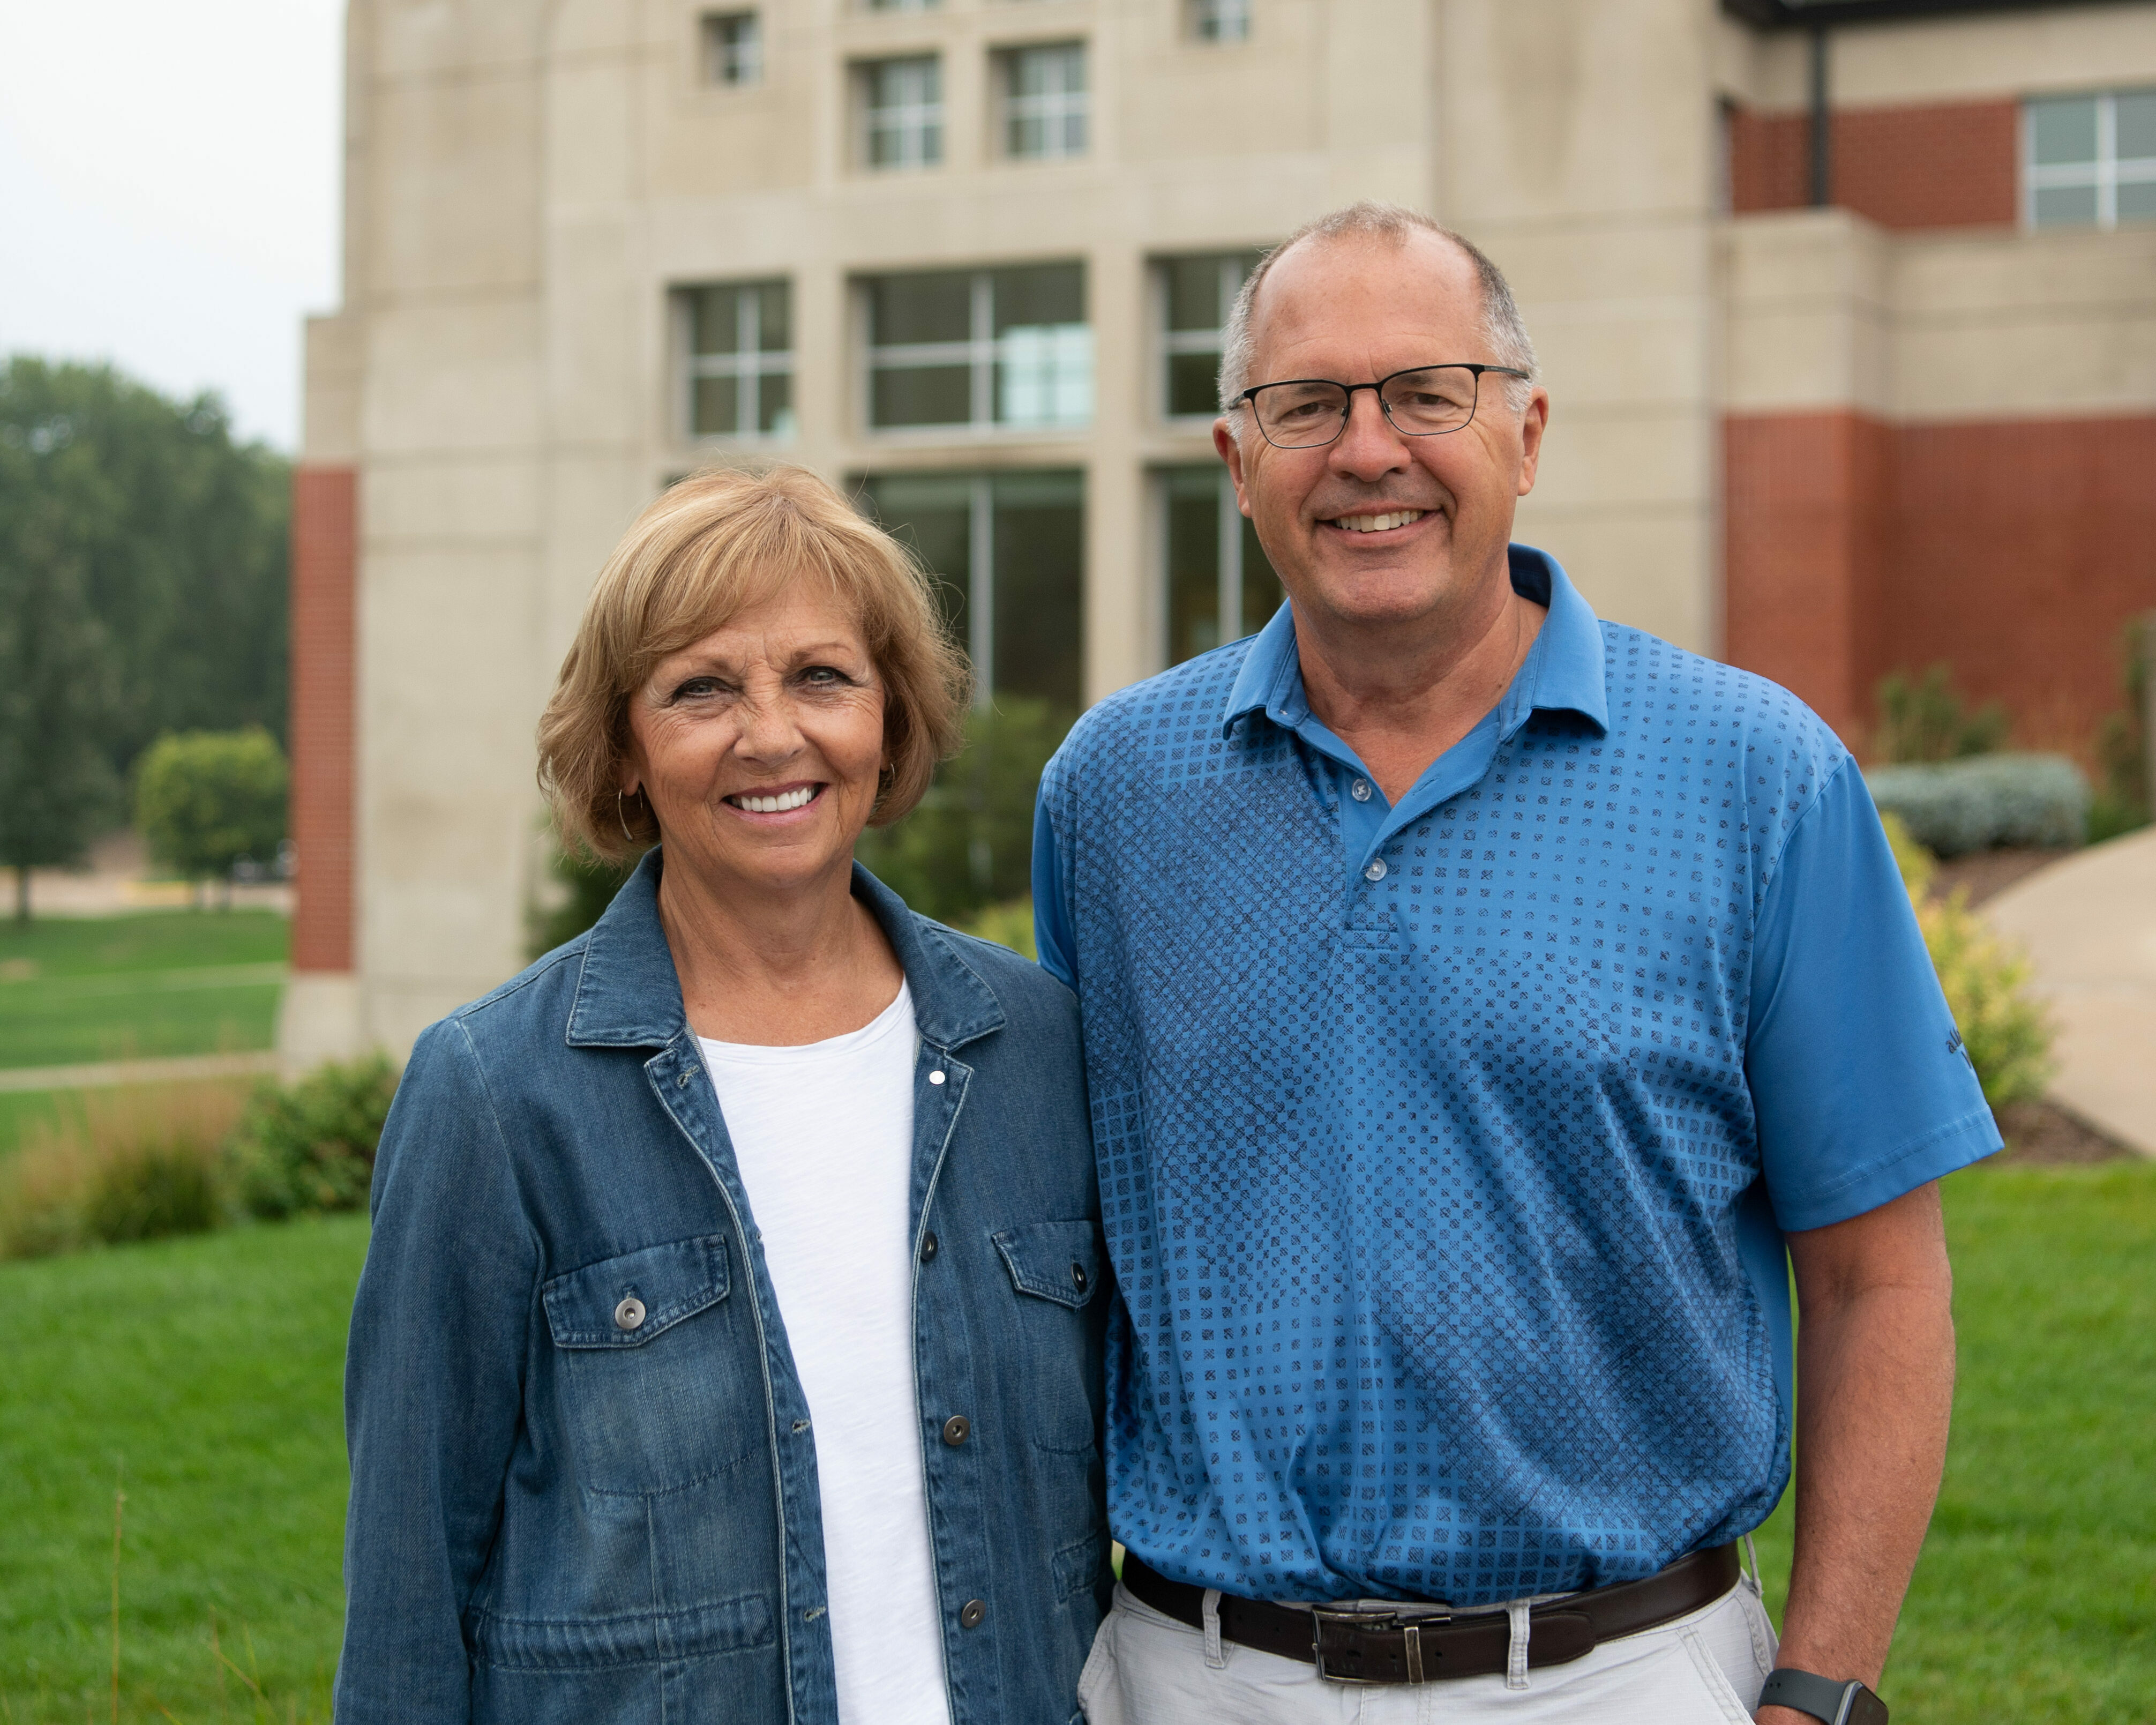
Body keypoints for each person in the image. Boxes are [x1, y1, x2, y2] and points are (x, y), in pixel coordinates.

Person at [1033, 204, 1995, 1725]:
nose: (1368, 450)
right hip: (1190, 1675)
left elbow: (1878, 1277)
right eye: (1307, 404)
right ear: (1237, 462)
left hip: (1617, 1675)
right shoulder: (1112, 793)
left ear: (1525, 432)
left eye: (1428, 392)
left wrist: (1821, 1689)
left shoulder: (1756, 781)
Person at [337, 465, 1113, 1725]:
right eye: (701, 687)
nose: (770, 733)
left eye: (822, 676)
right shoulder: (494, 1092)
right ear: (626, 745)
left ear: (888, 716)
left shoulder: (1035, 1049)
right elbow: (408, 1591)